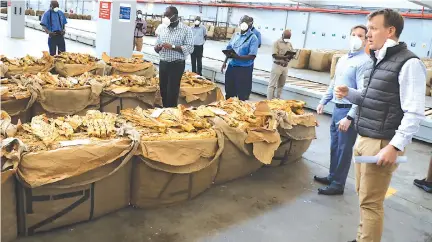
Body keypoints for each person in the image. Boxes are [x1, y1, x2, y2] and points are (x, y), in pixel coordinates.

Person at [335, 9, 426, 242]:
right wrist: (350, 94)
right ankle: (362, 238)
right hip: (365, 136)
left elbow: (414, 111)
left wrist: (394, 147)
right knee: (362, 196)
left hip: (382, 141)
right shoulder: (378, 58)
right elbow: (370, 97)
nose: (368, 34)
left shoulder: (409, 63)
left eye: (374, 28)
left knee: (371, 202)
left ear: (391, 31)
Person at [314, 25, 370, 196]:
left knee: (344, 149)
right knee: (335, 146)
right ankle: (332, 176)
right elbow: (334, 82)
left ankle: (338, 184)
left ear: (366, 39)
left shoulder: (365, 63)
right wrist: (324, 101)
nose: (356, 38)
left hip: (347, 112)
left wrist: (349, 117)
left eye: (360, 35)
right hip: (336, 108)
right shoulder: (343, 59)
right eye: (353, 34)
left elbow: (362, 94)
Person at [154, 6, 193, 108]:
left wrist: (173, 47)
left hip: (176, 65)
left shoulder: (186, 30)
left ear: (175, 16)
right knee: (163, 90)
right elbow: (156, 46)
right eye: (164, 15)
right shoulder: (162, 28)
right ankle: (165, 111)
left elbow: (190, 48)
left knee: (172, 91)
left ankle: (171, 114)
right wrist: (157, 48)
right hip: (163, 63)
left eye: (168, 15)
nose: (165, 18)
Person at [221, 15, 259, 101]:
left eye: (246, 22)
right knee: (229, 91)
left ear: (250, 25)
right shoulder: (236, 35)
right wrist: (225, 62)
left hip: (243, 70)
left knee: (242, 94)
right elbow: (229, 49)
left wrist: (238, 57)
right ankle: (228, 108)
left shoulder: (253, 38)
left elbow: (252, 56)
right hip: (232, 67)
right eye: (242, 22)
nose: (243, 24)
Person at [267, 29, 294, 99]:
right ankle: (269, 100)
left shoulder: (289, 44)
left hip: (285, 67)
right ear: (282, 35)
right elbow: (274, 55)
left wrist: (291, 56)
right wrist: (285, 57)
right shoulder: (276, 43)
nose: (287, 39)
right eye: (286, 37)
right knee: (272, 85)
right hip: (277, 66)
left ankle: (277, 100)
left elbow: (291, 53)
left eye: (289, 38)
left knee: (281, 85)